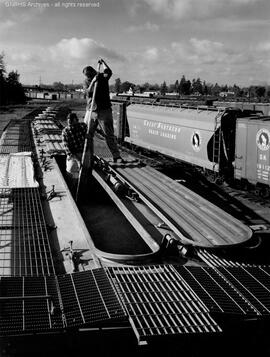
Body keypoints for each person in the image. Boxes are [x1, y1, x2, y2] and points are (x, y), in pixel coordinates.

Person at [82, 58, 124, 163]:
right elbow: (87, 93)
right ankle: (88, 155)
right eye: (86, 77)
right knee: (87, 134)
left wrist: (104, 63)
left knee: (109, 135)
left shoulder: (103, 77)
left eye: (89, 76)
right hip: (91, 110)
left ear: (93, 72)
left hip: (104, 110)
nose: (87, 78)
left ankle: (116, 156)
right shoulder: (87, 81)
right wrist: (92, 82)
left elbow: (109, 72)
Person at [62, 112, 87, 188]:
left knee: (84, 172)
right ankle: (71, 187)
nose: (70, 124)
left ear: (76, 120)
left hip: (83, 153)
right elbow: (67, 150)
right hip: (73, 155)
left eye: (71, 121)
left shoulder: (82, 127)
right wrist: (78, 161)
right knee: (71, 170)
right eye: (68, 122)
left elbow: (89, 128)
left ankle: (82, 187)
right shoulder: (65, 131)